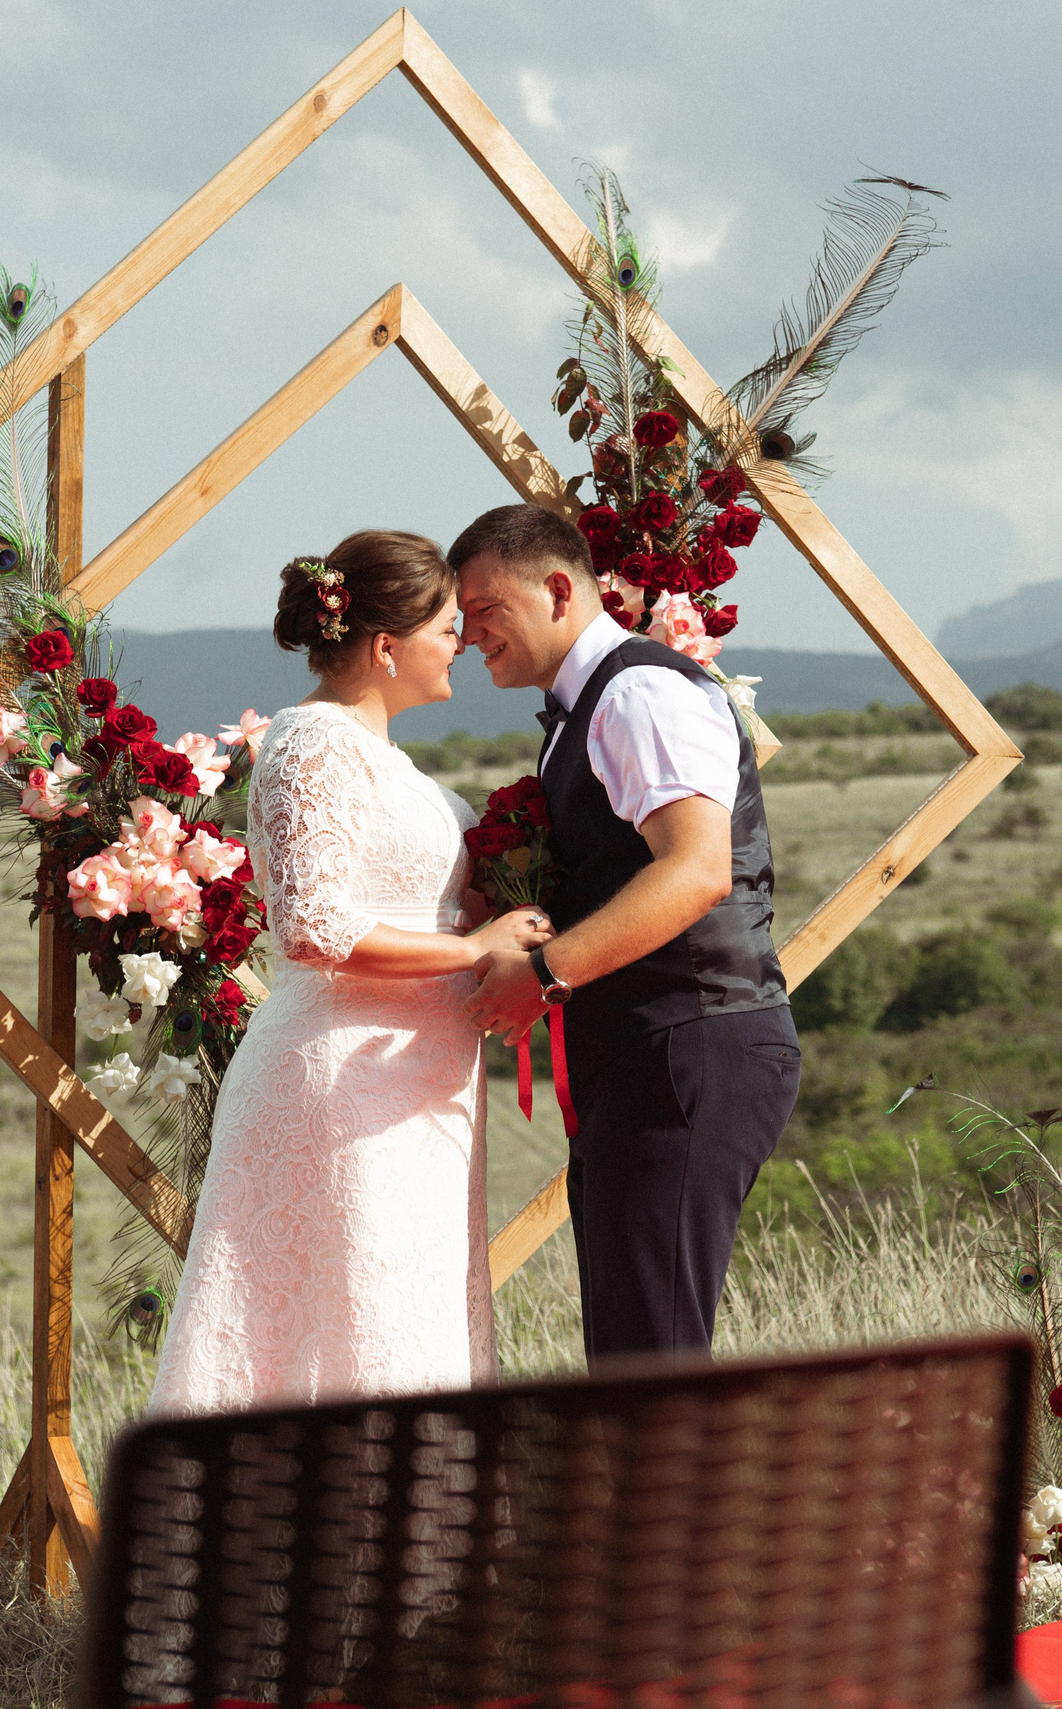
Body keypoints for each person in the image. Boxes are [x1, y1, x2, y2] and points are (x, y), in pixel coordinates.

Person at [145, 530, 553, 1418]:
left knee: (403, 1320)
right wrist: (477, 951)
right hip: (344, 1080)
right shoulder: (312, 744)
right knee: (353, 1326)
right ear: (385, 646)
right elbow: (314, 928)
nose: (460, 644)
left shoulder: (379, 756)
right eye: (448, 625)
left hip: (410, 1082)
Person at [453, 502, 800, 1363]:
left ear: (559, 589)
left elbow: (695, 869)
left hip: (689, 1047)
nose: (468, 635)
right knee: (632, 1353)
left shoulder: (640, 692)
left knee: (654, 1360)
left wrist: (542, 976)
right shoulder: (587, 708)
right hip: (651, 1053)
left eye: (484, 610)